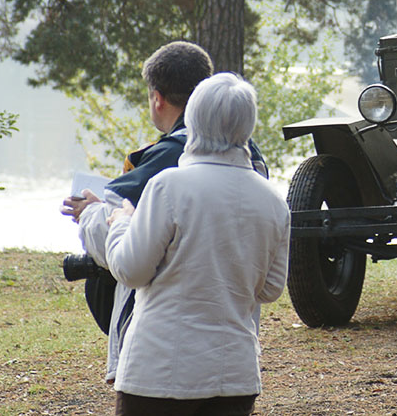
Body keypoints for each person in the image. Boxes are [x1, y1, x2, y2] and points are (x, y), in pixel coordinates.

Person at [59, 41, 266, 384]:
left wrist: (95, 215)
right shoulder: (252, 158)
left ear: (157, 97)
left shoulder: (167, 169)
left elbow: (127, 262)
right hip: (236, 353)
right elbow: (269, 284)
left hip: (163, 356)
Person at [104, 72, 290, 415]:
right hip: (234, 374)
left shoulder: (169, 186)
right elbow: (271, 289)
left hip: (159, 370)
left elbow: (130, 270)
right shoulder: (273, 201)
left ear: (193, 120)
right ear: (248, 125)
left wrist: (120, 225)